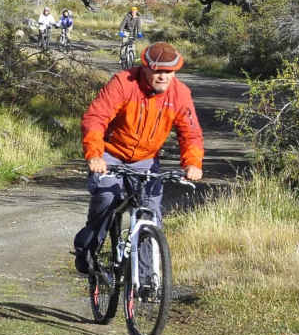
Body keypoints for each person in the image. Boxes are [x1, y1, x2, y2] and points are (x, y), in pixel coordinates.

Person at [72, 42, 203, 285]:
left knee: (149, 215)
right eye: (158, 71)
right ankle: (87, 250)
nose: (163, 76)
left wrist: (193, 163)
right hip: (111, 154)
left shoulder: (180, 94)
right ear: (145, 68)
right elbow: (95, 118)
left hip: (145, 159)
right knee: (106, 197)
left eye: (169, 72)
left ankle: (147, 282)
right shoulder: (124, 83)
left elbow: (191, 133)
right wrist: (95, 155)